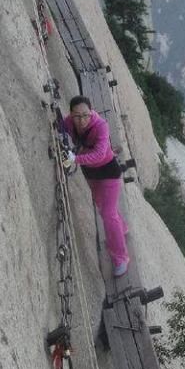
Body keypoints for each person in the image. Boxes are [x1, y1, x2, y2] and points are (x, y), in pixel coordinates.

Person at [62, 96, 130, 276]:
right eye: (77, 116)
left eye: (86, 115)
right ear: (71, 114)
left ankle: (121, 257)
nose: (82, 120)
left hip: (108, 172)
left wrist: (75, 159)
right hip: (91, 173)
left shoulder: (101, 126)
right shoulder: (69, 122)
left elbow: (100, 154)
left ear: (92, 112)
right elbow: (61, 126)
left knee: (108, 214)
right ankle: (122, 228)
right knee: (104, 208)